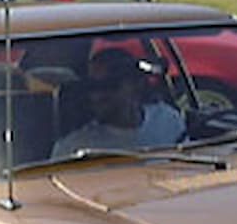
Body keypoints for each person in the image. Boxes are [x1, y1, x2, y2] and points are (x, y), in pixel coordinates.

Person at [51, 48, 185, 158]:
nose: (98, 95)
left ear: (136, 85)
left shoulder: (169, 120)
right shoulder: (72, 149)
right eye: (93, 87)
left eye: (109, 85)